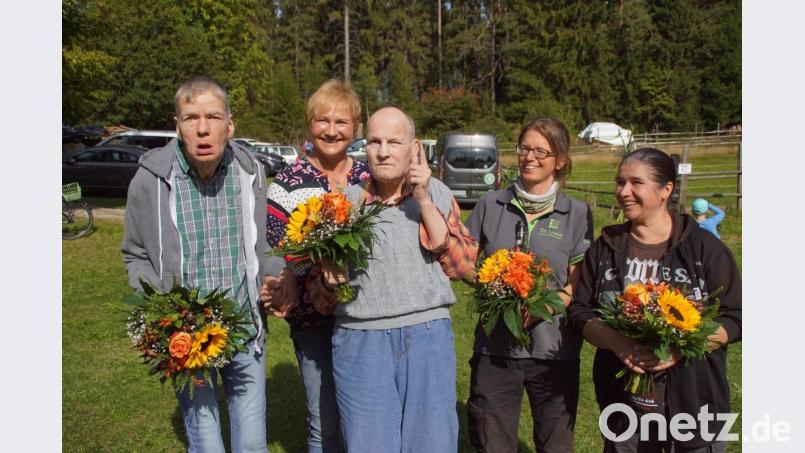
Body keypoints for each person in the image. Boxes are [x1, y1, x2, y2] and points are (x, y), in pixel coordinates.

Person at [122, 75, 283, 453]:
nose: (203, 128)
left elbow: (266, 243)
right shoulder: (151, 180)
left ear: (229, 124)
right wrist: (158, 309)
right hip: (187, 336)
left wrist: (273, 276)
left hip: (244, 330)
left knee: (252, 445)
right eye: (191, 117)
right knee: (207, 444)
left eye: (212, 116)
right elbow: (135, 252)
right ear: (177, 126)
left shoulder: (251, 172)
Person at [320, 106, 477, 452]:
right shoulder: (344, 204)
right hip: (361, 341)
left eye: (395, 141)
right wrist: (328, 282)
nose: (384, 151)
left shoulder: (437, 193)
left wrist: (422, 200)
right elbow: (320, 295)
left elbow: (465, 267)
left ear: (414, 147)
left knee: (432, 443)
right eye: (374, 141)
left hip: (427, 336)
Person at [567, 148, 742, 452]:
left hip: (694, 404)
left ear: (666, 190)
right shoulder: (606, 247)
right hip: (624, 407)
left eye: (636, 182)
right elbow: (581, 310)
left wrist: (679, 349)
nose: (624, 191)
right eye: (620, 182)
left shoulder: (704, 249)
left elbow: (736, 316)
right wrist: (617, 342)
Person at [465, 116, 593, 453]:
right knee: (492, 442)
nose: (529, 157)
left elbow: (577, 282)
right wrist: (492, 288)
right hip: (495, 349)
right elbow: (464, 262)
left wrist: (545, 306)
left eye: (541, 151)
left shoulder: (578, 213)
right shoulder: (490, 205)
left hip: (554, 349)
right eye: (524, 148)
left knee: (555, 443)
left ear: (560, 161)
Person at [262, 80, 370, 453]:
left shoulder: (369, 176)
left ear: (355, 127)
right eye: (323, 120)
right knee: (323, 422)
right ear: (310, 124)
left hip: (367, 317)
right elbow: (275, 248)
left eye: (342, 121)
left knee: (364, 416)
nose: (331, 130)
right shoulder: (288, 182)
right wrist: (291, 277)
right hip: (313, 322)